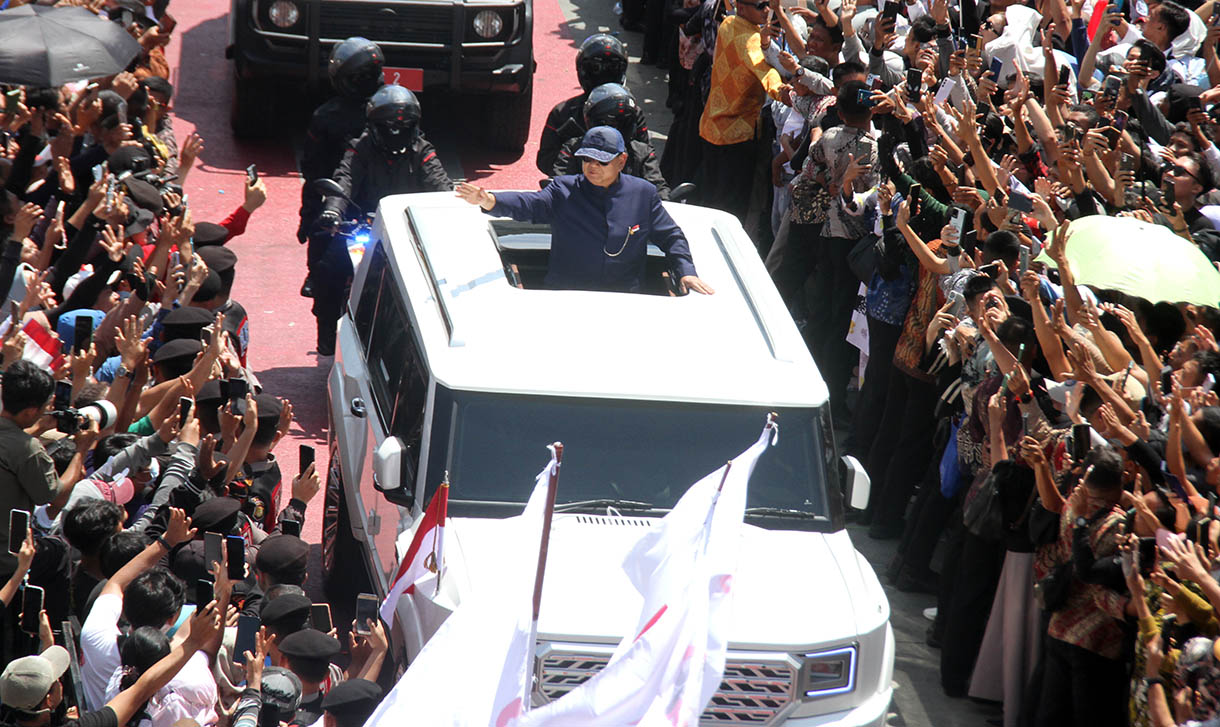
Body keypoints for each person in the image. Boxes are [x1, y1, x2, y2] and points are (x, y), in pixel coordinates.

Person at [456, 126, 714, 295]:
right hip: (567, 297)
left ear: (621, 161)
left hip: (626, 301)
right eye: (587, 160)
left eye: (601, 161)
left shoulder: (643, 194)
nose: (592, 167)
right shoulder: (563, 189)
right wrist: (490, 201)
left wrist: (686, 271)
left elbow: (671, 237)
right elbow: (530, 205)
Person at [315, 84, 452, 356]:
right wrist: (333, 210)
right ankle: (326, 332)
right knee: (326, 269)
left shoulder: (423, 151)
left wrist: (451, 206)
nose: (395, 133)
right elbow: (345, 179)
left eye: (403, 126)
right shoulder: (360, 148)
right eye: (388, 126)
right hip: (362, 227)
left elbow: (440, 185)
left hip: (409, 232)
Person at [298, 37, 386, 297]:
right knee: (319, 231)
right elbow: (313, 172)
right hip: (340, 200)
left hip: (381, 194)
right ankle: (315, 274)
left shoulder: (390, 107)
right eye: (368, 74)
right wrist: (309, 218)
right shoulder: (326, 117)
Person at [536, 34, 650, 175]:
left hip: (621, 188)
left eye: (612, 68)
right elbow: (545, 160)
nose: (604, 73)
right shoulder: (562, 112)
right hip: (576, 188)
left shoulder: (632, 112)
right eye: (596, 68)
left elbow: (646, 158)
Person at [550, 83, 670, 199]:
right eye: (587, 159)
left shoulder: (643, 153)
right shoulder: (573, 148)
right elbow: (557, 186)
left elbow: (659, 191)